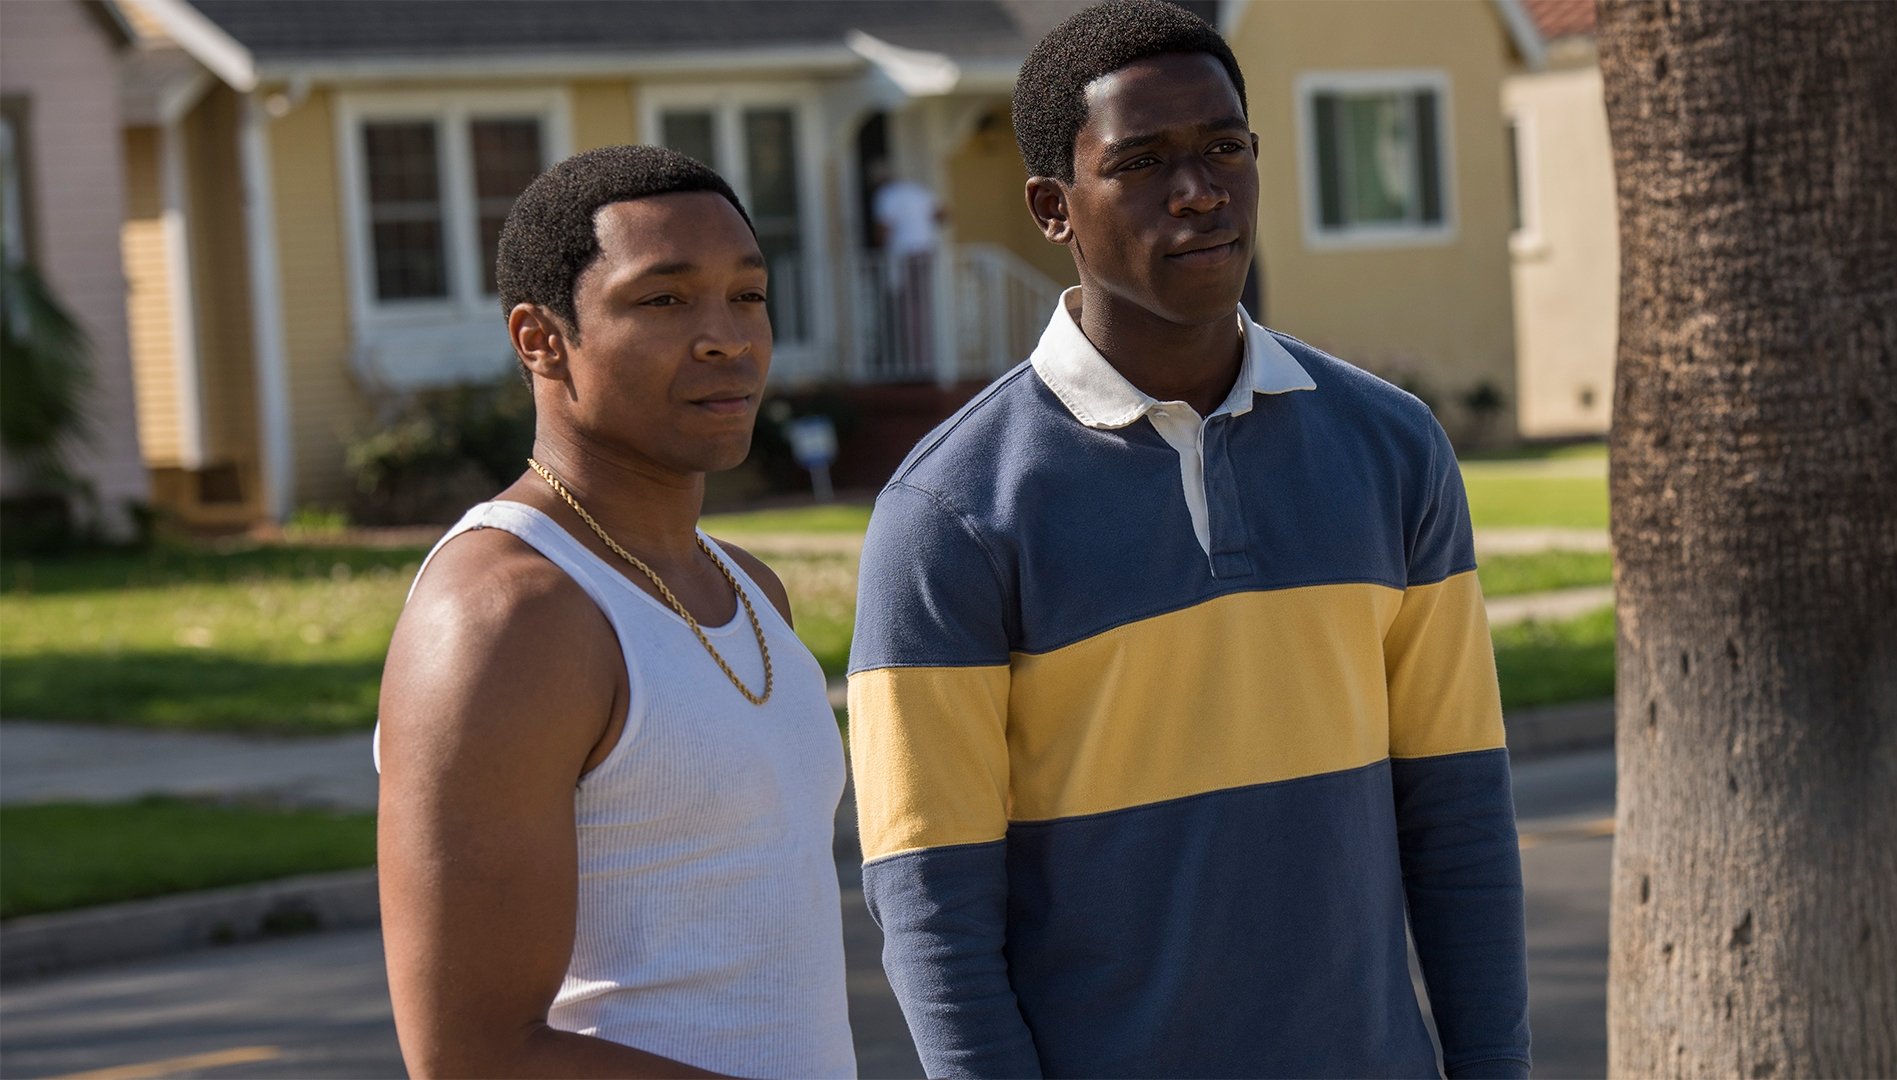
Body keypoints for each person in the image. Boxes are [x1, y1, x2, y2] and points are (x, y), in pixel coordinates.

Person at [847, 2, 1531, 1077]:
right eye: (1143, 162)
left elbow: (1459, 817)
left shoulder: (1393, 448)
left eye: (1224, 148)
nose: (1200, 190)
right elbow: (935, 909)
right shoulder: (949, 513)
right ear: (1053, 207)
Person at [376, 144, 856, 1079]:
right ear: (540, 338)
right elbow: (471, 1057)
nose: (727, 338)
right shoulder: (507, 614)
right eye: (664, 300)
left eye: (748, 295)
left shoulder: (752, 590)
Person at [869, 161, 944, 375]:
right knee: (923, 307)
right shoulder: (916, 190)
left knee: (907, 309)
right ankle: (924, 360)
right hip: (926, 252)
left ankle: (914, 364)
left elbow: (883, 229)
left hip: (905, 255)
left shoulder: (885, 195)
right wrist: (922, 227)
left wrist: (877, 255)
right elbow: (942, 214)